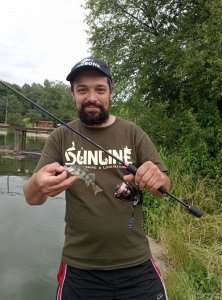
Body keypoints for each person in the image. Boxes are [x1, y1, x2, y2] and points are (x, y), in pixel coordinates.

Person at [23, 57, 171, 300]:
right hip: (80, 267)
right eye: (82, 89)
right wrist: (38, 184)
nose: (91, 96)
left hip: (136, 264)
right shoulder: (61, 137)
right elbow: (32, 198)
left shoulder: (133, 133)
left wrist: (158, 180)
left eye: (100, 89)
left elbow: (163, 185)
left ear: (111, 92)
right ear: (73, 94)